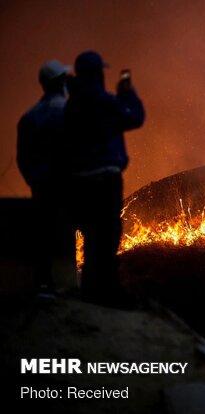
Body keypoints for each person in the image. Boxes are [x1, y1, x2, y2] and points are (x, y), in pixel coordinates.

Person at [62, 50, 145, 307]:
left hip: (80, 182)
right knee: (108, 236)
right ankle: (108, 293)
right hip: (105, 181)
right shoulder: (104, 101)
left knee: (90, 237)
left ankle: (89, 290)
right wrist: (127, 93)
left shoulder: (71, 105)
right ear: (98, 73)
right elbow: (135, 117)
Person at [17, 59, 72, 299]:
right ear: (60, 83)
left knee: (43, 234)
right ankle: (73, 283)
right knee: (74, 233)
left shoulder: (29, 117)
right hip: (67, 184)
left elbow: (22, 157)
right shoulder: (70, 112)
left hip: (41, 186)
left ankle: (44, 285)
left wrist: (34, 181)